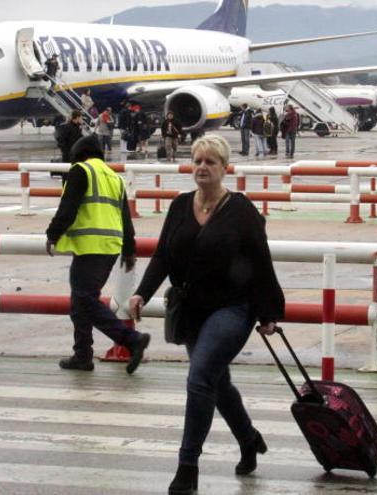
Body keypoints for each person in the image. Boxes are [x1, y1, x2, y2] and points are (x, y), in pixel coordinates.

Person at [128, 134, 284, 495]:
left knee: (199, 379)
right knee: (217, 382)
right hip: (192, 311)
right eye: (197, 161)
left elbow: (261, 263)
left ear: (224, 169)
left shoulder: (242, 211)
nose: (201, 167)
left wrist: (269, 312)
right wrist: (141, 292)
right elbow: (164, 256)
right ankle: (248, 439)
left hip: (233, 308)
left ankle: (187, 468)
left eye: (210, 162)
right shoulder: (181, 206)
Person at [46, 134, 152, 373]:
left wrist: (52, 234)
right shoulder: (113, 177)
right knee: (80, 301)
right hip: (111, 247)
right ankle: (82, 355)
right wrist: (129, 248)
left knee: (84, 300)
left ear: (78, 155)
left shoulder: (81, 171)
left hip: (89, 245)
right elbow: (125, 216)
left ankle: (131, 339)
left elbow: (68, 208)